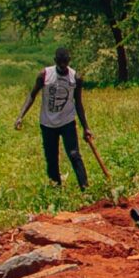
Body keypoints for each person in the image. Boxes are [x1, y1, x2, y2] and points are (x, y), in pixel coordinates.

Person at [15, 47, 91, 190]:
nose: (63, 65)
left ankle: (85, 188)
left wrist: (86, 127)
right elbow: (32, 95)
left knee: (74, 154)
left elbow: (78, 103)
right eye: (60, 62)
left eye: (65, 62)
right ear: (55, 61)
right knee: (51, 158)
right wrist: (20, 116)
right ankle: (56, 189)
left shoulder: (75, 78)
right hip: (47, 123)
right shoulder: (44, 75)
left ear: (69, 61)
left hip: (67, 122)